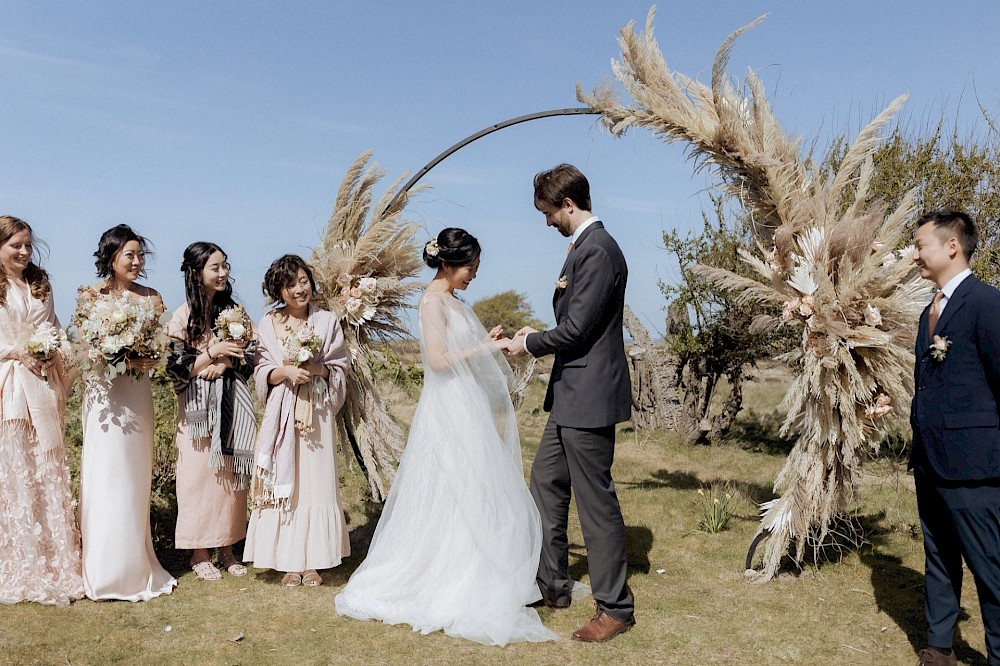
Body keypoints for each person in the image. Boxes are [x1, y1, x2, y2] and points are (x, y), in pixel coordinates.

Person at [335, 228, 556, 646]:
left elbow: (459, 352)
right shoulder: (431, 301)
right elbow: (437, 362)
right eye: (470, 267)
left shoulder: (453, 301)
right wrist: (487, 349)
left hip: (465, 404)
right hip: (448, 407)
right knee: (451, 484)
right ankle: (444, 575)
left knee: (474, 486)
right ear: (449, 264)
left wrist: (481, 341)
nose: (473, 275)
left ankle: (473, 568)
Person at [508, 164, 635, 642]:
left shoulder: (599, 250)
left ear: (567, 204)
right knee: (545, 482)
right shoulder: (583, 248)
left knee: (594, 502)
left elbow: (578, 329)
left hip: (590, 397)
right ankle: (552, 583)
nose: (545, 223)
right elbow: (573, 321)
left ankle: (616, 608)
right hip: (569, 396)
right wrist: (533, 334)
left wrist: (529, 344)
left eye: (547, 213)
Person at [910, 210, 1000, 666]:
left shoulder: (987, 304)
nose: (914, 253)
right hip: (929, 461)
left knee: (992, 571)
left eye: (920, 244)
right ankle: (939, 647)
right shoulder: (929, 310)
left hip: (975, 466)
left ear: (951, 246)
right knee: (939, 558)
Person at [76, 224, 176, 601]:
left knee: (132, 479)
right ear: (111, 257)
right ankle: (100, 570)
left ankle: (134, 566)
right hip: (103, 395)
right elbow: (86, 342)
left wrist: (146, 356)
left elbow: (161, 350)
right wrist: (114, 350)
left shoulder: (152, 299)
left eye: (139, 255)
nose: (136, 261)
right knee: (103, 475)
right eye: (128, 255)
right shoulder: (90, 295)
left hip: (135, 393)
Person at [243, 255, 350, 587]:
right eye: (290, 285)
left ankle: (314, 561)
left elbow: (339, 365)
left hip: (315, 410)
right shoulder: (268, 323)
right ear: (279, 289)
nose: (299, 289)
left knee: (316, 481)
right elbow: (262, 371)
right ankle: (290, 561)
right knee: (285, 480)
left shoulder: (327, 321)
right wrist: (284, 372)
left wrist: (316, 369)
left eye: (303, 281)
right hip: (283, 412)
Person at [0, 215, 84, 606]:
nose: (23, 251)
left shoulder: (40, 284)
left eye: (27, 244)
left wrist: (52, 353)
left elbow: (55, 328)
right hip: (9, 391)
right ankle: (19, 562)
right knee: (15, 473)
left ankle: (55, 561)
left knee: (44, 468)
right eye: (15, 244)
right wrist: (16, 351)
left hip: (42, 387)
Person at [166, 242, 256, 581]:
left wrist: (227, 363)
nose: (223, 273)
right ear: (196, 272)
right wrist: (212, 353)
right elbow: (176, 367)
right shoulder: (181, 315)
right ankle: (198, 552)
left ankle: (229, 548)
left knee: (230, 478)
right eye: (215, 267)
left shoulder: (235, 311)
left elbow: (253, 353)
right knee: (198, 478)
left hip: (231, 403)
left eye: (225, 266)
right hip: (196, 416)